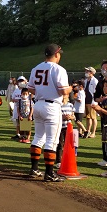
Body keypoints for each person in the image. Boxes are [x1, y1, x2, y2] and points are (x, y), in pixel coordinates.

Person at [27, 44, 71, 182]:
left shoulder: (36, 68)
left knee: (38, 137)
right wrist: (71, 88)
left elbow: (31, 89)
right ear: (57, 55)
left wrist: (42, 91)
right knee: (52, 141)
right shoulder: (59, 69)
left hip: (38, 104)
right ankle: (49, 173)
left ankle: (34, 169)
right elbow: (64, 91)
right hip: (52, 106)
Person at [82, 67, 97, 138]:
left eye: (87, 71)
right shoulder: (86, 80)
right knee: (88, 117)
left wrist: (94, 102)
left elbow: (96, 92)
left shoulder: (95, 81)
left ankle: (93, 132)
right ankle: (88, 131)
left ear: (91, 72)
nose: (86, 72)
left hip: (92, 101)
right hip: (86, 100)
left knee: (93, 117)